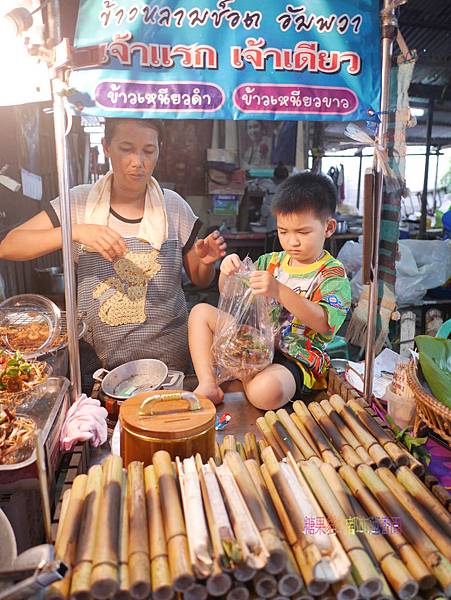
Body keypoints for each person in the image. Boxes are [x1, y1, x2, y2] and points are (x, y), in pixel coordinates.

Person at [0, 118, 226, 374]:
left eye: (148, 151)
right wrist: (75, 231)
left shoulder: (173, 206)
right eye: (126, 148)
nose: (137, 162)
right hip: (98, 365)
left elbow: (199, 279)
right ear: (106, 146)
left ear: (159, 150)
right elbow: (9, 245)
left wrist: (206, 262)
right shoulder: (78, 203)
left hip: (170, 363)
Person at [188, 172, 351, 409]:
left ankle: (242, 375)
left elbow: (325, 324)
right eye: (284, 232)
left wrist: (279, 290)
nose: (292, 242)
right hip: (256, 344)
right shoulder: (271, 262)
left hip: (296, 359)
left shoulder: (332, 274)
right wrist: (226, 272)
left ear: (328, 227)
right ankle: (208, 383)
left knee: (265, 392)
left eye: (303, 232)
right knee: (200, 312)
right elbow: (231, 295)